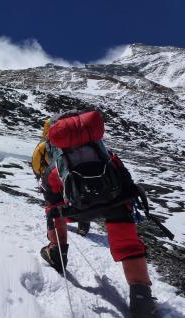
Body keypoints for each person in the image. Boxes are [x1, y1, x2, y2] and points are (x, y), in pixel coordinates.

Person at [37, 113, 156, 318]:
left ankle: (57, 252)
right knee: (127, 244)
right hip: (114, 203)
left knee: (53, 212)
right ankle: (141, 298)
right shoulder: (104, 153)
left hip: (77, 208)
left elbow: (52, 202)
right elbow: (124, 181)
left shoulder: (57, 165)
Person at [32, 119, 90, 237]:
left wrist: (38, 175)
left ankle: (54, 227)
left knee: (53, 203)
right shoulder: (70, 142)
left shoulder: (43, 145)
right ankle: (83, 225)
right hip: (71, 176)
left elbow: (36, 162)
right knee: (77, 199)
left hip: (50, 179)